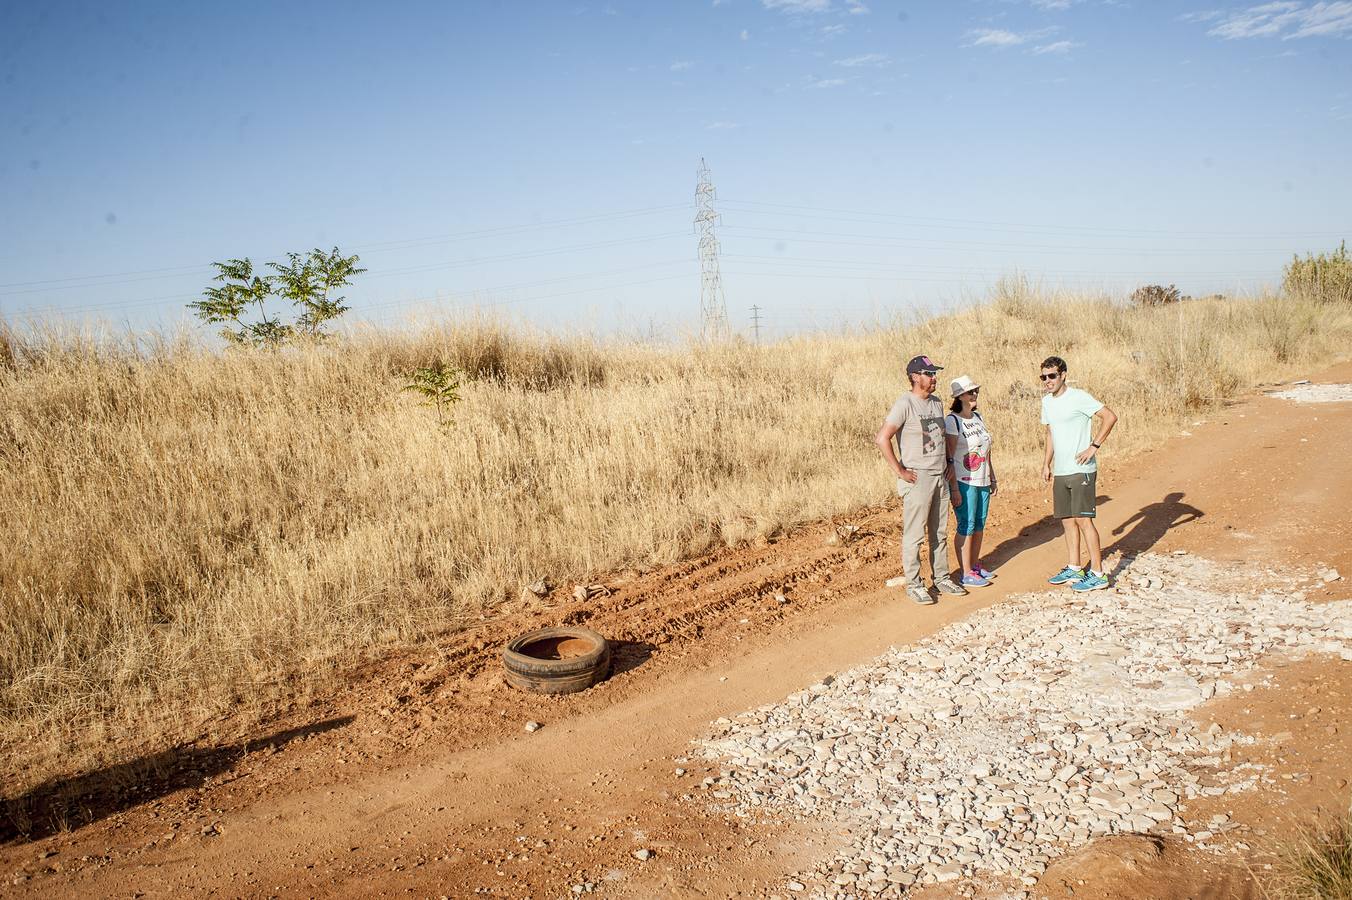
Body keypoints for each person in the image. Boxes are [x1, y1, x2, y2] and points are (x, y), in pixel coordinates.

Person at [875, 355, 969, 605]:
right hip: (918, 477)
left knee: (939, 531)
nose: (934, 377)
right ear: (915, 377)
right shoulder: (905, 403)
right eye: (929, 374)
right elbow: (882, 438)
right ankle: (914, 584)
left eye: (934, 373)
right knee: (915, 534)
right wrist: (901, 472)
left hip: (939, 475)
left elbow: (940, 439)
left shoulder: (937, 404)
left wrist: (949, 464)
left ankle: (942, 577)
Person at [1039, 356, 1119, 592]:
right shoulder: (1047, 403)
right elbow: (1050, 434)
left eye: (1052, 376)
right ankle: (1074, 568)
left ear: (1063, 374)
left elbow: (1110, 417)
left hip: (1081, 469)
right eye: (1043, 377)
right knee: (1067, 520)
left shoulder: (1079, 397)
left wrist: (1094, 446)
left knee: (1084, 520)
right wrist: (1046, 463)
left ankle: (1098, 573)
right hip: (1062, 470)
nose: (1047, 381)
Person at [945, 375, 997, 588]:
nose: (974, 394)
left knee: (979, 523)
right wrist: (954, 488)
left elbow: (986, 450)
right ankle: (965, 572)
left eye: (976, 390)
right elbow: (949, 456)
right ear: (959, 396)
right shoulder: (953, 420)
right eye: (970, 392)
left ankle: (974, 565)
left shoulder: (979, 417)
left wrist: (992, 476)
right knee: (966, 524)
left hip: (982, 478)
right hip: (964, 480)